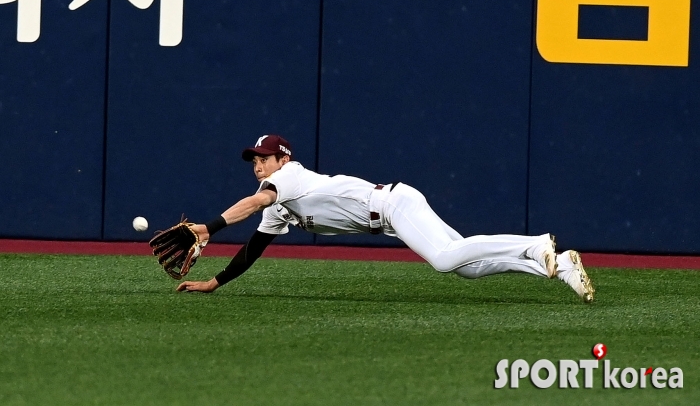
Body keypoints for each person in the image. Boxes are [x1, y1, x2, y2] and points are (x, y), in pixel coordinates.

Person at [176, 134, 595, 303]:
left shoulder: (289, 176)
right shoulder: (280, 203)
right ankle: (554, 267)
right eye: (254, 160)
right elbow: (254, 247)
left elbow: (250, 204)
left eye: (263, 158)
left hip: (394, 204)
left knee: (447, 259)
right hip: (392, 216)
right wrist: (215, 283)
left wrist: (208, 228)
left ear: (282, 158)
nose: (258, 165)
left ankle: (536, 245)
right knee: (467, 269)